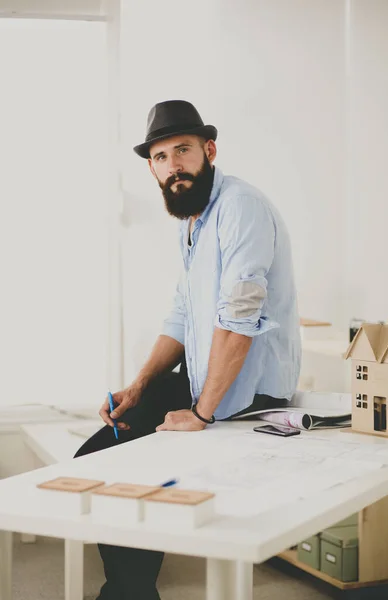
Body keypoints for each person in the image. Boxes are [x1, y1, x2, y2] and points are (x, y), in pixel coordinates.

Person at [74, 99, 301, 600]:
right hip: (208, 383)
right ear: (151, 168)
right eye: (160, 157)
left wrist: (200, 413)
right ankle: (130, 593)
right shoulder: (191, 220)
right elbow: (181, 315)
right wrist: (140, 386)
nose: (172, 165)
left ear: (209, 150)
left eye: (182, 151)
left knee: (124, 467)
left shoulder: (239, 208)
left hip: (248, 397)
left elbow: (238, 320)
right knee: (94, 459)